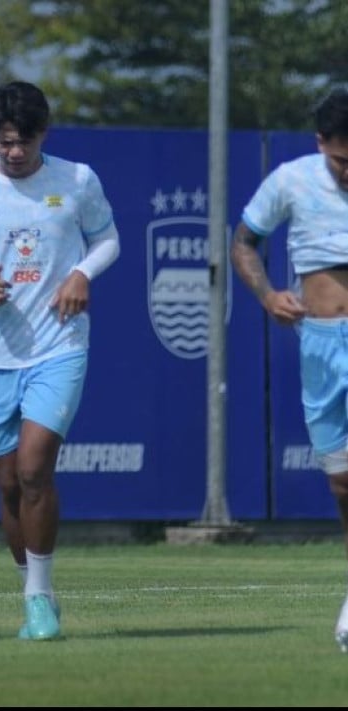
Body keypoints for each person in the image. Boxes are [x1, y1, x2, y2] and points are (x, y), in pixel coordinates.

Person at [0, 80, 120, 642]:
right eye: (4, 141)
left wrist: (82, 273)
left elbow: (108, 240)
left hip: (59, 345)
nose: (14, 152)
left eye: (25, 141)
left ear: (44, 134)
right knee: (9, 482)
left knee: (35, 469)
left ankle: (39, 600)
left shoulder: (78, 180)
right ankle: (33, 588)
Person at [230, 88, 348, 653]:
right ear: (321, 143)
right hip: (320, 345)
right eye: (343, 160)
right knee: (342, 480)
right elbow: (244, 243)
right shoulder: (291, 180)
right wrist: (268, 295)